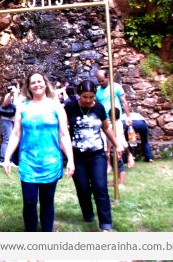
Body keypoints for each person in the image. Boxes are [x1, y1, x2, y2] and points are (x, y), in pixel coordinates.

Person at [2, 72, 74, 232]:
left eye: (39, 81)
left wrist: (70, 159)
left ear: (45, 83)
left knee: (47, 202)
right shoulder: (23, 107)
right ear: (28, 87)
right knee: (29, 202)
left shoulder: (56, 106)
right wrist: (6, 158)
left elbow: (64, 134)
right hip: (28, 162)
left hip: (51, 162)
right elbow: (15, 134)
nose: (37, 85)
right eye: (33, 82)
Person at [64, 81, 122, 231]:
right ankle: (88, 214)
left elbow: (106, 128)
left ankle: (105, 225)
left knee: (100, 188)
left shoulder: (99, 108)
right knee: (83, 189)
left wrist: (117, 144)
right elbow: (63, 130)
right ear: (79, 94)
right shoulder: (70, 107)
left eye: (91, 97)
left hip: (97, 155)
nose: (88, 100)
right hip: (77, 157)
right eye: (85, 97)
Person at [95, 70, 135, 168]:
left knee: (120, 139)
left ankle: (129, 155)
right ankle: (108, 163)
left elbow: (124, 102)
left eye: (102, 80)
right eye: (99, 81)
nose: (101, 83)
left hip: (116, 118)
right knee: (105, 142)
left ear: (107, 78)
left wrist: (128, 117)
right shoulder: (97, 91)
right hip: (104, 120)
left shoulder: (116, 87)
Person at [0, 80, 24, 165]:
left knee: (13, 140)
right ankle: (2, 160)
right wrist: (11, 94)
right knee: (7, 139)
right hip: (7, 120)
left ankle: (10, 160)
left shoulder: (21, 97)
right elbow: (4, 105)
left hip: (14, 121)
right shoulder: (9, 95)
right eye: (17, 86)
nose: (18, 88)